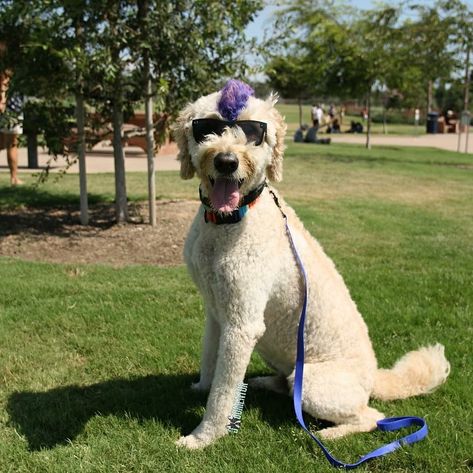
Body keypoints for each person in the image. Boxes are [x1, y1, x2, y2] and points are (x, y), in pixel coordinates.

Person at [0, 40, 23, 186]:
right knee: (12, 144)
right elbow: (3, 85)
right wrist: (2, 100)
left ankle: (14, 177)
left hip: (11, 105)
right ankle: (14, 178)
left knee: (3, 143)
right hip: (11, 107)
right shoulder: (6, 68)